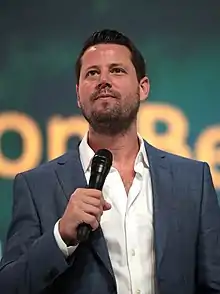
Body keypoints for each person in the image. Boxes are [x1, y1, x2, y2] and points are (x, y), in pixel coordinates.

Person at [0, 29, 220, 294]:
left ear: (143, 87)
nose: (103, 80)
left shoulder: (193, 180)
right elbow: (9, 286)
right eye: (92, 73)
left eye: (117, 70)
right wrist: (60, 236)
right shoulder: (36, 186)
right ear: (78, 94)